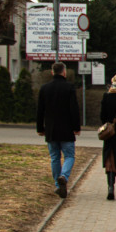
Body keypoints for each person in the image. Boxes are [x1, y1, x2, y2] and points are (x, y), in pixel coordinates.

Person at [36, 61, 81, 199]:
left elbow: (40, 110)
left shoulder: (44, 88)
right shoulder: (69, 88)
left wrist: (40, 128)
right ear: (64, 72)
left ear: (52, 72)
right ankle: (64, 176)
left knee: (55, 157)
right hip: (66, 128)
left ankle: (58, 184)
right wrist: (76, 127)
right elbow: (74, 109)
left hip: (51, 129)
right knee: (69, 156)